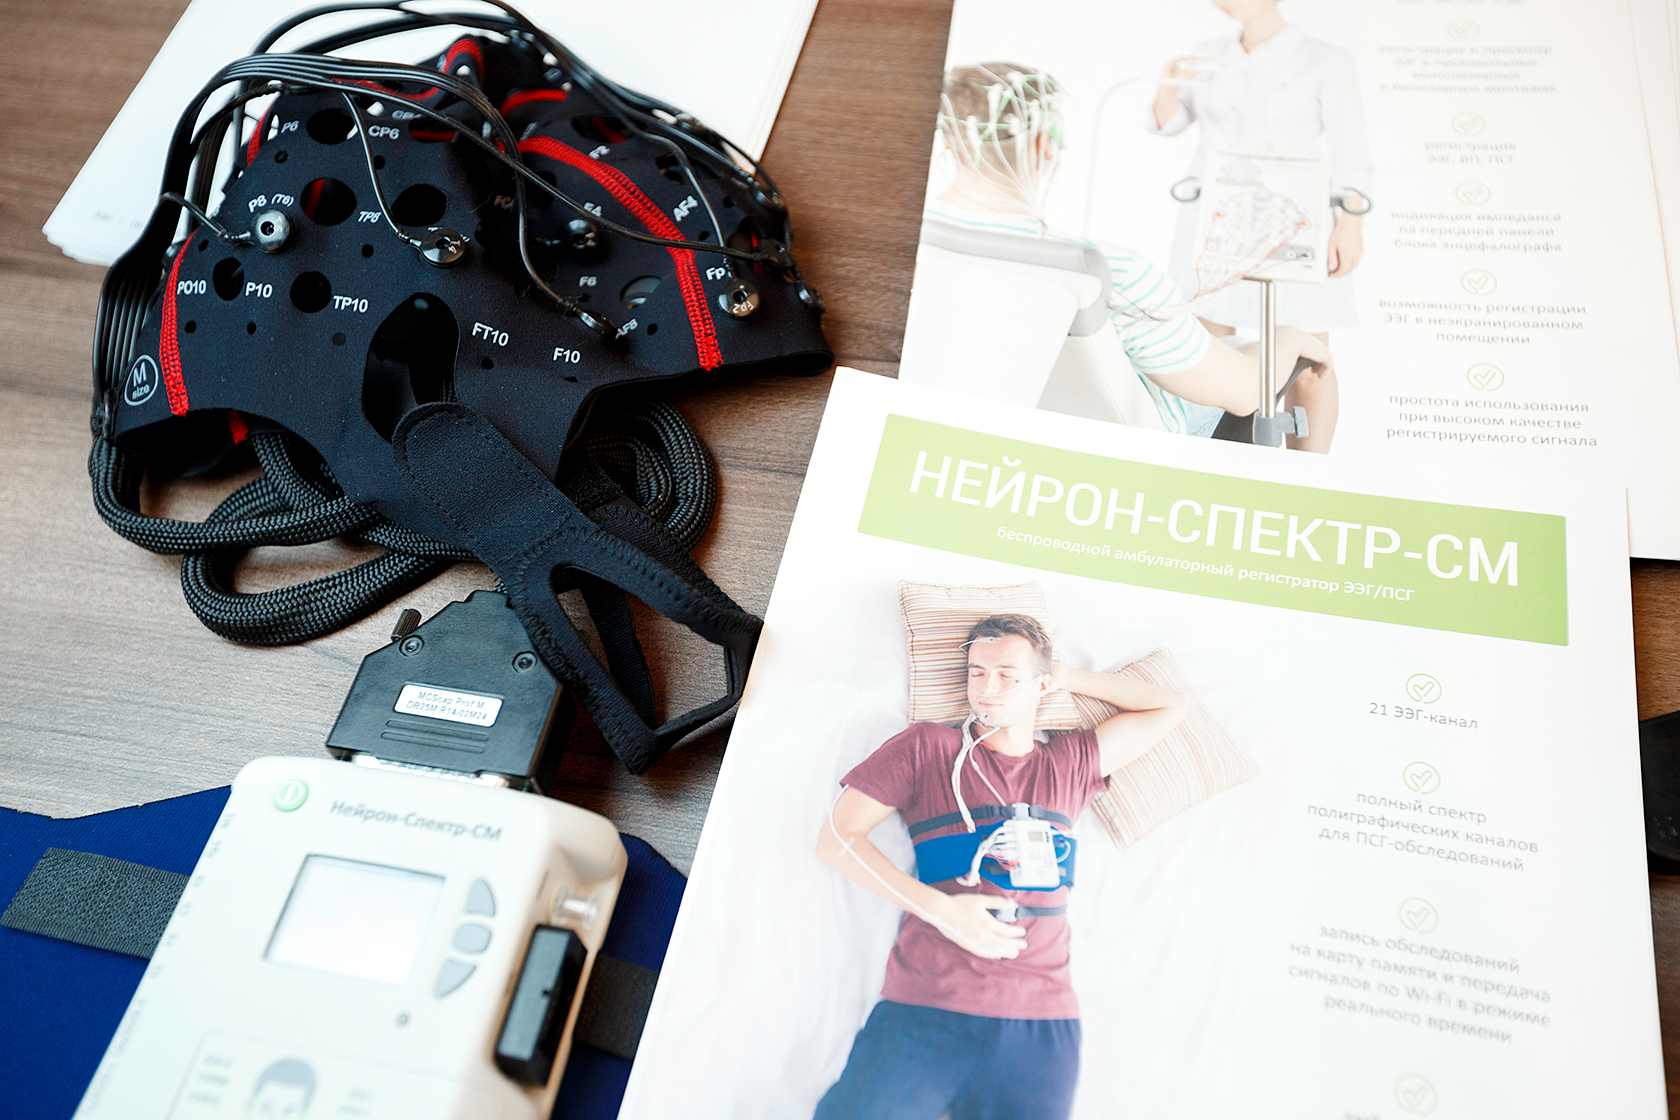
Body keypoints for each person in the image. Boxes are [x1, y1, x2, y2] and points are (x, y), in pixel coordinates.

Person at [812, 614, 1190, 1120]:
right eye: (976, 672)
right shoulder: (929, 748)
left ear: (1040, 685)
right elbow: (836, 839)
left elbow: (1171, 705)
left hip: (1040, 1026)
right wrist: (942, 910)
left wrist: (1064, 676)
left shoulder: (1069, 764)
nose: (987, 688)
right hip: (927, 1008)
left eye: (1007, 675)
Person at [933, 61, 1337, 452]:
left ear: (950, 141)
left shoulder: (919, 242)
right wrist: (1288, 337)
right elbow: (1246, 392)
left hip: (981, 427)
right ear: (1044, 145)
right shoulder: (1113, 273)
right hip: (1126, 454)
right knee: (1300, 355)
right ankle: (1308, 485)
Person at [1149, 0, 1372, 382]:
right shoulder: (1207, 54)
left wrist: (1350, 225)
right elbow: (1168, 123)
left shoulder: (1326, 58)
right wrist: (1168, 83)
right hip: (1216, 214)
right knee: (1210, 351)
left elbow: (1350, 149)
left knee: (1307, 360)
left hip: (1293, 215)